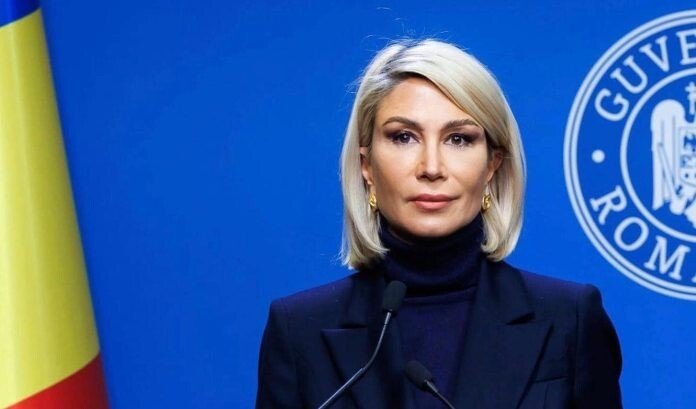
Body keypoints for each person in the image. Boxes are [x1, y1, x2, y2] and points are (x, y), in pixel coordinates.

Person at [256, 39, 622, 409]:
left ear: (492, 165)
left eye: (458, 139)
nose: (431, 168)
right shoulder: (298, 330)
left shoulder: (570, 318)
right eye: (404, 137)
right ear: (366, 166)